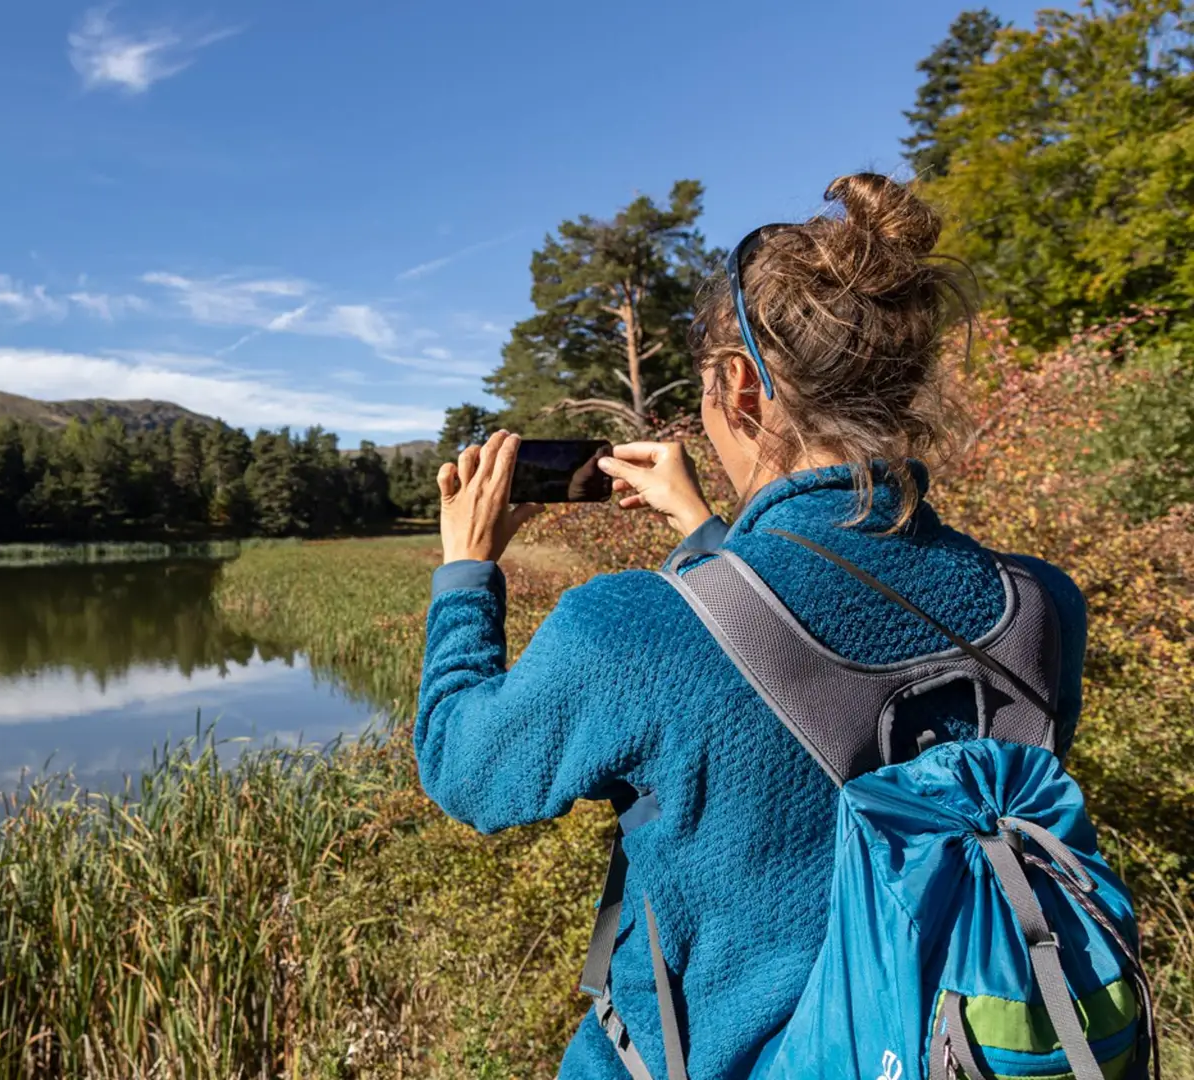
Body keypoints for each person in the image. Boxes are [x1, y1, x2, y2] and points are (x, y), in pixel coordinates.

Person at [416, 173, 1088, 1079]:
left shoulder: (628, 629)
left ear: (738, 387)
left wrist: (466, 575)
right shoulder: (1038, 606)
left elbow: (468, 771)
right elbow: (827, 671)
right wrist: (707, 536)